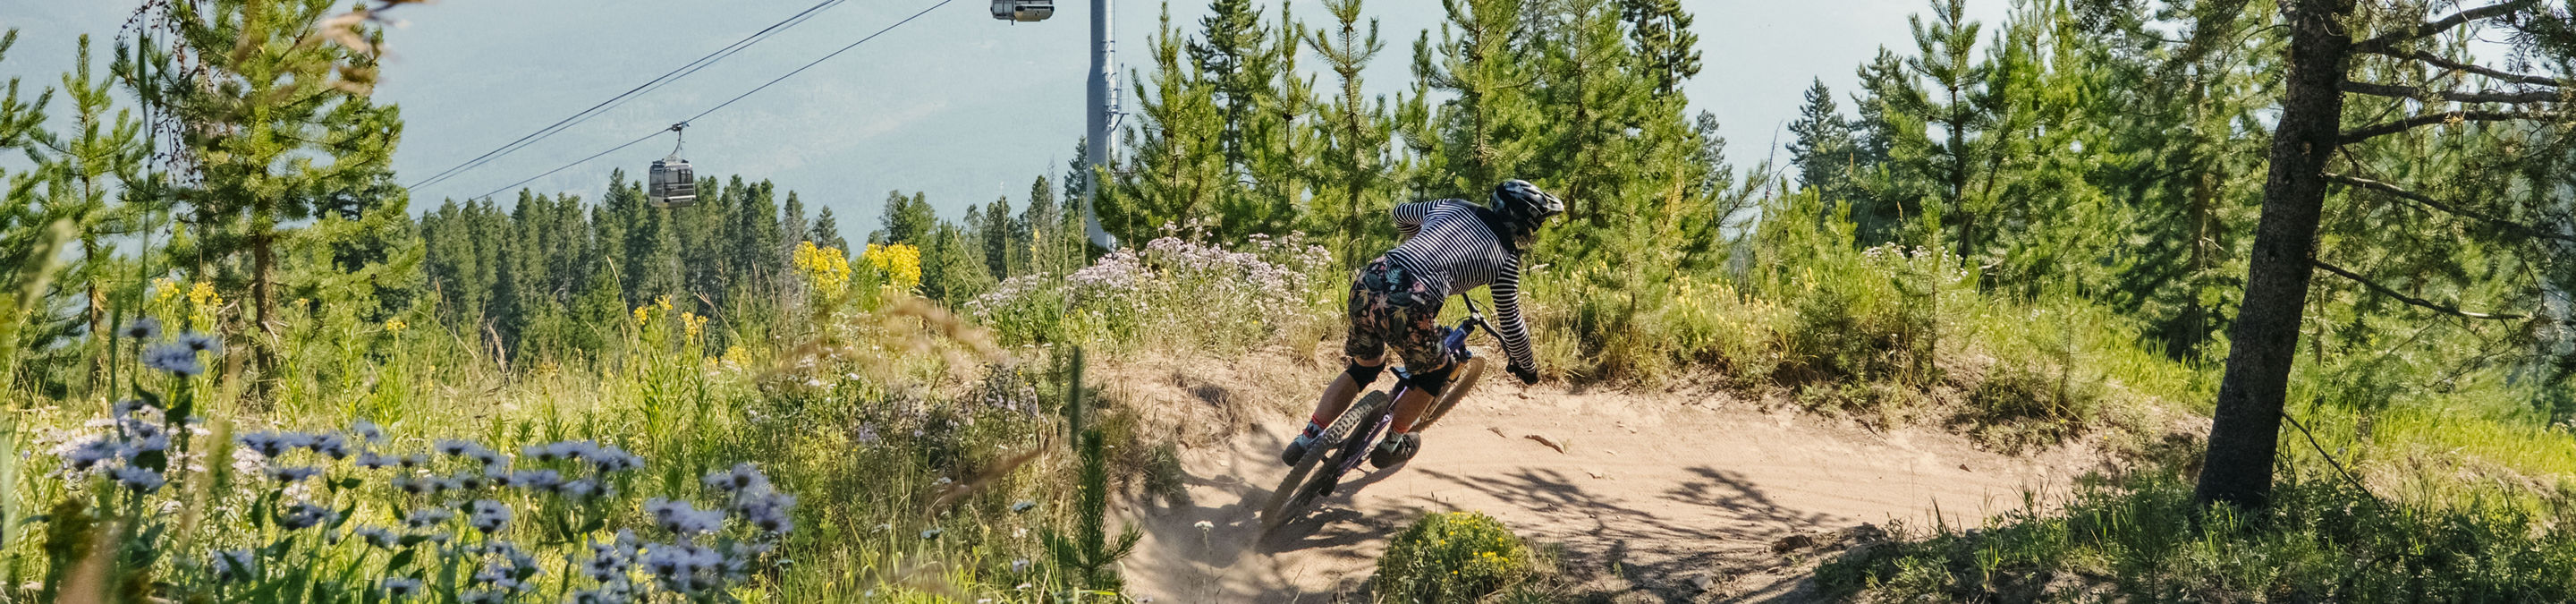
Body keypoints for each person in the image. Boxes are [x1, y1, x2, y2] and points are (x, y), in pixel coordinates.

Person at [1282, 179, 1563, 469]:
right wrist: (1526, 367)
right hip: (1413, 300)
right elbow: (1512, 322)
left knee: (1363, 366)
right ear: (1526, 224)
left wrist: (1420, 238)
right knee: (1434, 374)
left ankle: (1307, 437)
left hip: (1372, 276)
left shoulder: (1453, 205)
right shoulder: (1505, 259)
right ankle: (1392, 443)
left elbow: (1401, 213)